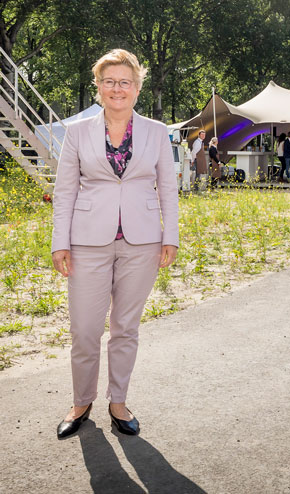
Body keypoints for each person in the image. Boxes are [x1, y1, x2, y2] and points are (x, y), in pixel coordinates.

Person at [51, 49, 179, 439]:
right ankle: (81, 401)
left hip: (142, 242)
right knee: (85, 329)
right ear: (99, 87)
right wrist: (61, 242)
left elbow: (169, 188)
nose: (117, 88)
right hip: (86, 241)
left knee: (126, 326)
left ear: (137, 88)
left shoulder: (157, 132)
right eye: (109, 81)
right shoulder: (77, 132)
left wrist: (169, 235)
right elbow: (65, 190)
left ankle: (118, 400)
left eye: (125, 81)